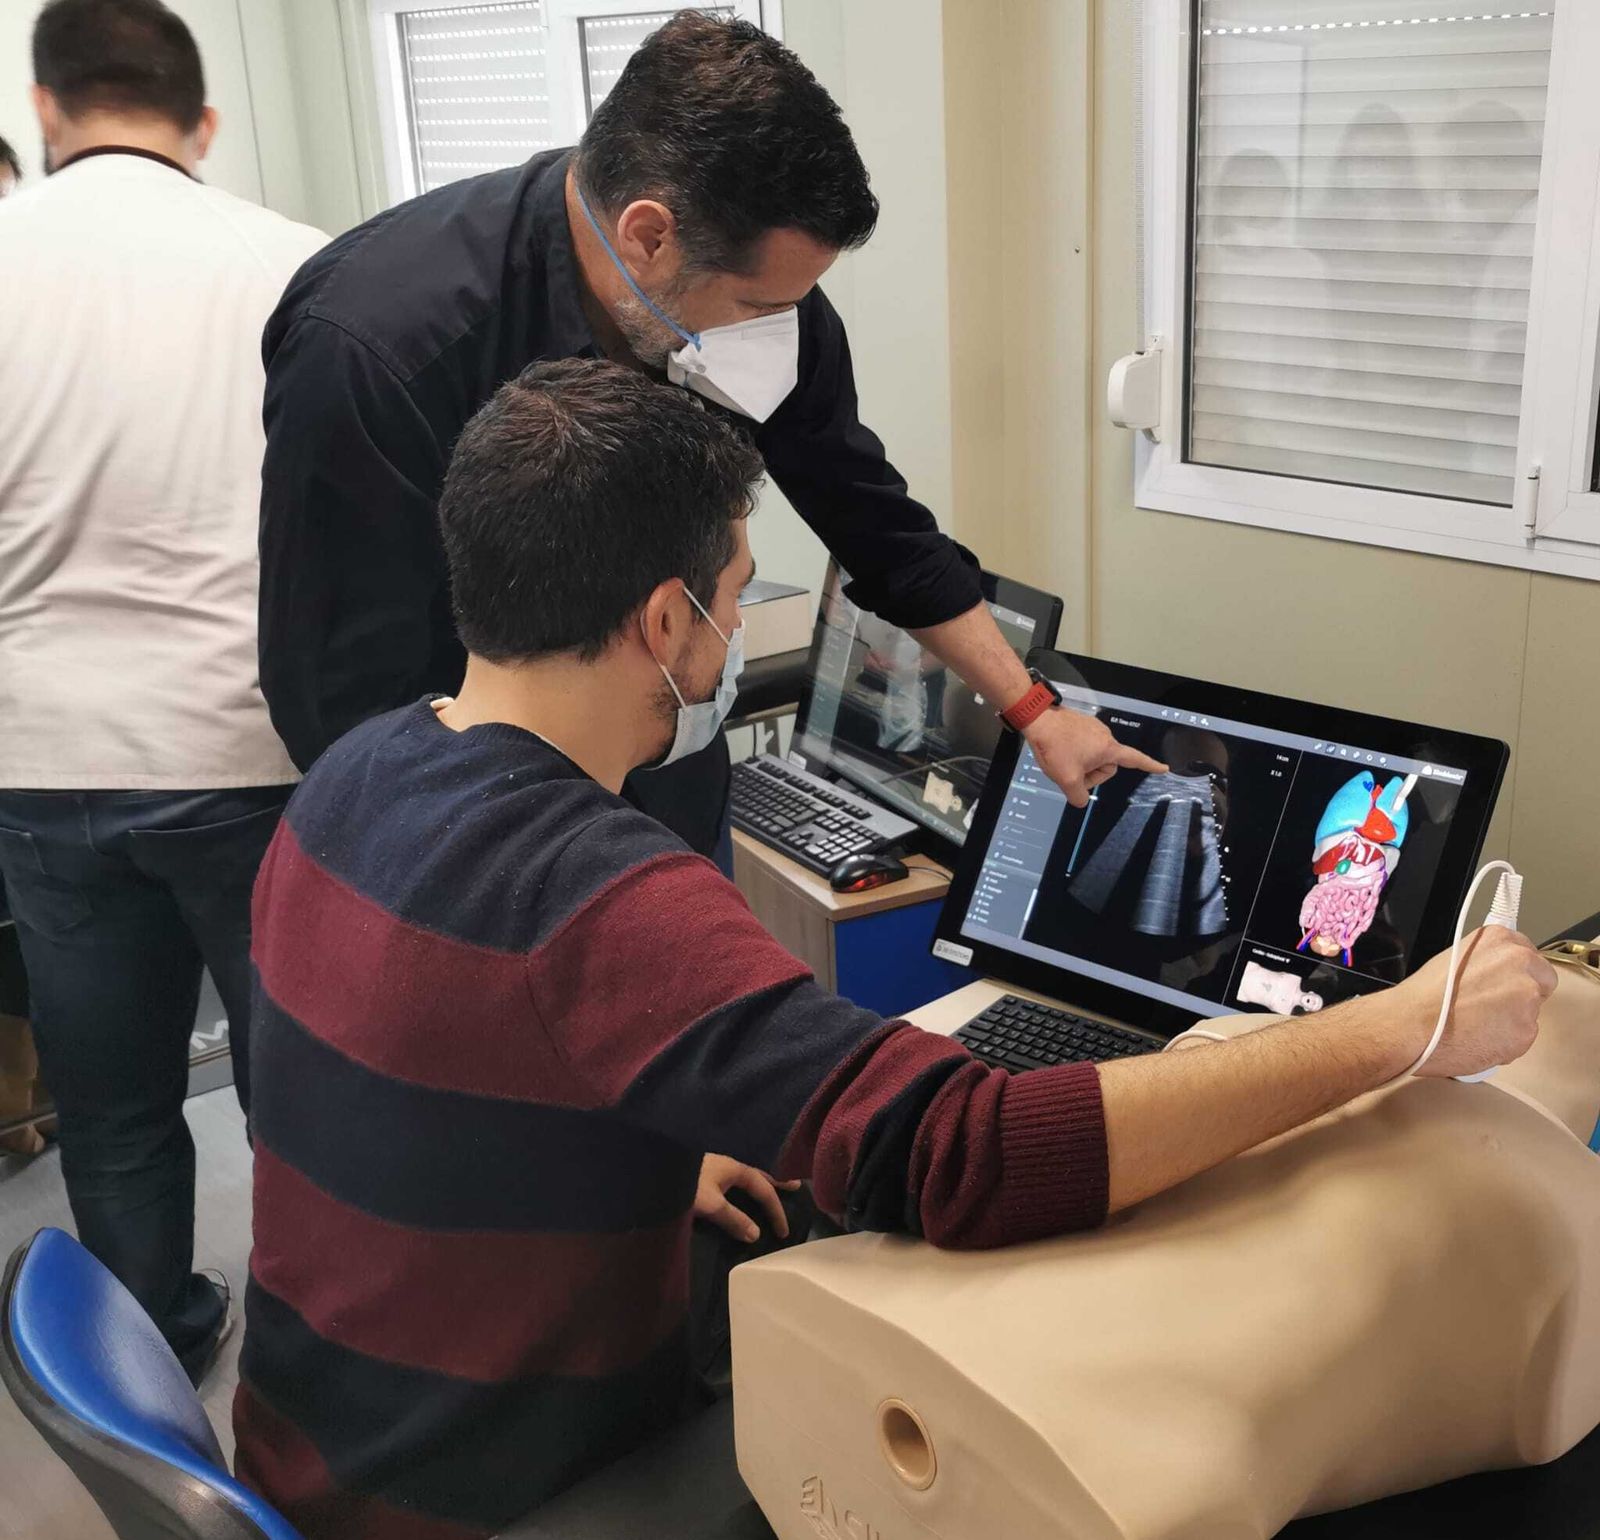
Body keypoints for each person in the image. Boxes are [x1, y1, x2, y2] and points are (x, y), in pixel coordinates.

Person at [235, 359, 1556, 1540]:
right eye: (739, 597)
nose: (736, 633)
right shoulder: (607, 896)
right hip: (500, 1500)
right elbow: (967, 1160)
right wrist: (1403, 1027)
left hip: (316, 1449)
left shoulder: (362, 773)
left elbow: (412, 1056)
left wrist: (635, 1131)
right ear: (663, 621)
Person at [256, 12, 1157, 870]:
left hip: (670, 787)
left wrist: (1034, 709)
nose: (782, 331)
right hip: (467, 821)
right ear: (647, 236)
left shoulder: (764, 308)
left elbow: (874, 523)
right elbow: (341, 696)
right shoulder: (378, 346)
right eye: (761, 307)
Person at [0, 0, 324, 1380]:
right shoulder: (302, 264)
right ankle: (321, 1347)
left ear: (45, 109)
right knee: (302, 1093)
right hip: (256, 749)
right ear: (205, 123)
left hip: (43, 760)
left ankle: (147, 1363)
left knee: (113, 1102)